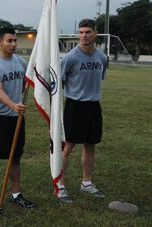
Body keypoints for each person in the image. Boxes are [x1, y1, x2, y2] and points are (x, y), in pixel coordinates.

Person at [0, 27, 36, 214]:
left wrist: (17, 106)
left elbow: (24, 84)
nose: (14, 44)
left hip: (17, 118)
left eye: (15, 40)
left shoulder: (21, 62)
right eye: (9, 41)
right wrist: (13, 105)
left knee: (15, 158)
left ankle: (16, 194)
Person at [56, 19, 108, 202]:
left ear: (95, 33)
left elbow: (99, 79)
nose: (84, 36)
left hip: (93, 105)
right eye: (81, 32)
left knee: (90, 144)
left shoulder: (101, 57)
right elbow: (57, 81)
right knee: (67, 147)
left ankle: (86, 182)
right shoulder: (71, 57)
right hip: (75, 106)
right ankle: (59, 185)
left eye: (87, 32)